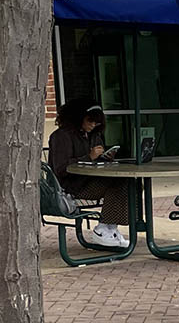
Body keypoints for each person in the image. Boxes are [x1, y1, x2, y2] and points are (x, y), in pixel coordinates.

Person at [47, 99, 130, 248]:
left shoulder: (93, 135)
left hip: (90, 179)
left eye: (96, 123)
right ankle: (103, 228)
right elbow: (61, 168)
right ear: (78, 118)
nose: (93, 125)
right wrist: (89, 157)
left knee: (129, 182)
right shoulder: (61, 136)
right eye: (90, 121)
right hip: (71, 186)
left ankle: (111, 228)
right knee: (119, 183)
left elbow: (95, 159)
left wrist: (105, 158)